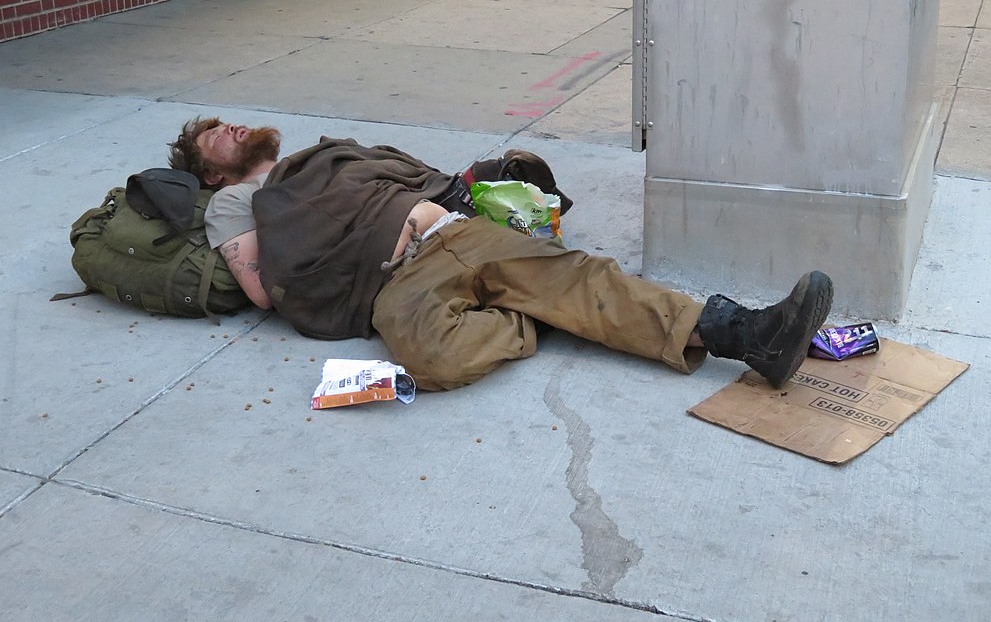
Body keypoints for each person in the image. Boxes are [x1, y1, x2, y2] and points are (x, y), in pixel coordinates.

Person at [168, 117, 834, 393]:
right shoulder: (238, 203)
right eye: (212, 138)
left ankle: (747, 333)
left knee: (579, 276)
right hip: (392, 281)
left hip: (452, 229)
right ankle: (536, 316)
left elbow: (415, 178)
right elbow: (265, 290)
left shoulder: (320, 155)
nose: (225, 127)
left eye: (222, 123)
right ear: (211, 174)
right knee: (427, 360)